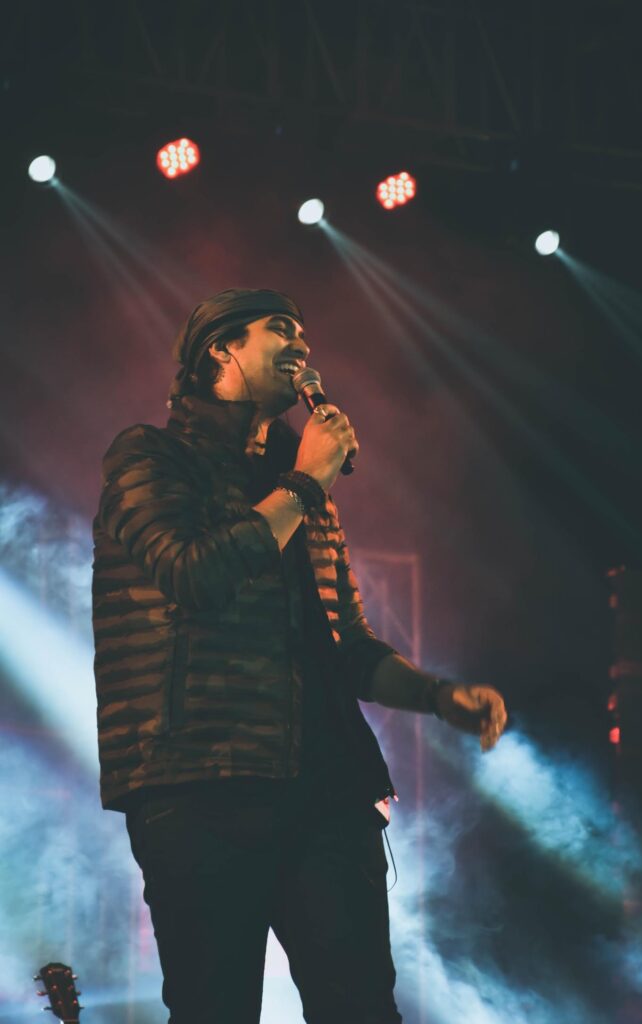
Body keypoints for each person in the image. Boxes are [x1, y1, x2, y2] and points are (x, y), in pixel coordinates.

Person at [92, 288, 507, 1024]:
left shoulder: (303, 491)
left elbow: (347, 644)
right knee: (215, 1008)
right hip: (201, 782)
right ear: (220, 347)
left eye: (304, 335)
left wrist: (439, 696)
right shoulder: (151, 457)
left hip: (326, 787)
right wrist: (307, 482)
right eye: (279, 329)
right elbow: (193, 575)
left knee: (361, 1007)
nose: (301, 346)